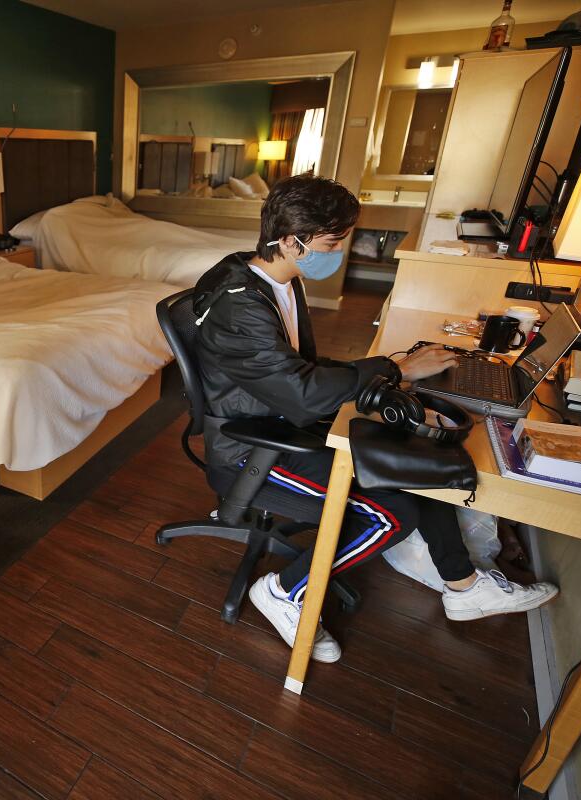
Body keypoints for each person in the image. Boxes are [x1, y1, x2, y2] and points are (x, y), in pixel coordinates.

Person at [194, 174, 557, 663]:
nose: (340, 251)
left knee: (417, 459)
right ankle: (284, 591)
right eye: (332, 242)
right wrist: (395, 367)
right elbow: (300, 394)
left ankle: (464, 586)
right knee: (395, 511)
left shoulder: (276, 279)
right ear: (287, 240)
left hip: (283, 418)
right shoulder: (240, 307)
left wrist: (391, 377)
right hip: (254, 448)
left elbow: (295, 373)